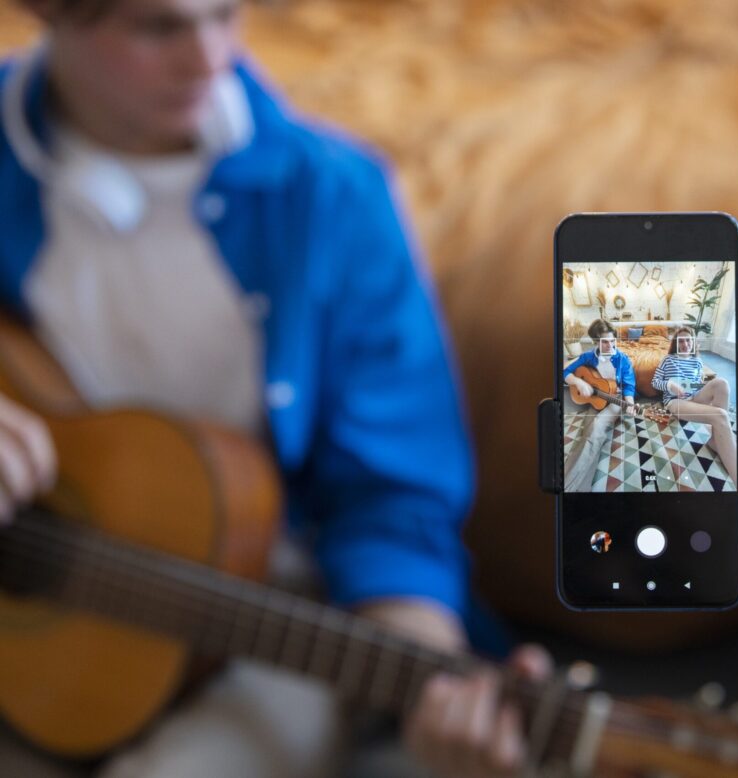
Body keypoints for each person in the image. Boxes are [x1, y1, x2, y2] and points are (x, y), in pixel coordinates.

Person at [0, 1, 546, 777]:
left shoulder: (333, 196)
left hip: (267, 619)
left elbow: (393, 500)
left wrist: (434, 688)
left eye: (226, 12)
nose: (212, 56)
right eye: (160, 27)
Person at [651, 325, 737, 487]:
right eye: (681, 340)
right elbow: (655, 382)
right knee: (720, 415)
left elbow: (697, 384)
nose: (685, 344)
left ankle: (715, 439)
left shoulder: (697, 361)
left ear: (693, 342)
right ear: (676, 343)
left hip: (694, 397)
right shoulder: (668, 359)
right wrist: (671, 385)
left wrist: (693, 387)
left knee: (722, 384)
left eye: (688, 340)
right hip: (675, 402)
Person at [562, 318, 636, 492]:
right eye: (605, 342)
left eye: (612, 341)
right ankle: (574, 486)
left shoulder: (622, 359)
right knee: (587, 434)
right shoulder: (588, 356)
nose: (610, 346)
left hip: (614, 399)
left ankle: (570, 487)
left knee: (596, 427)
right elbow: (565, 371)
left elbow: (629, 385)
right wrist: (578, 383)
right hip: (596, 400)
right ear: (596, 342)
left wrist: (630, 404)